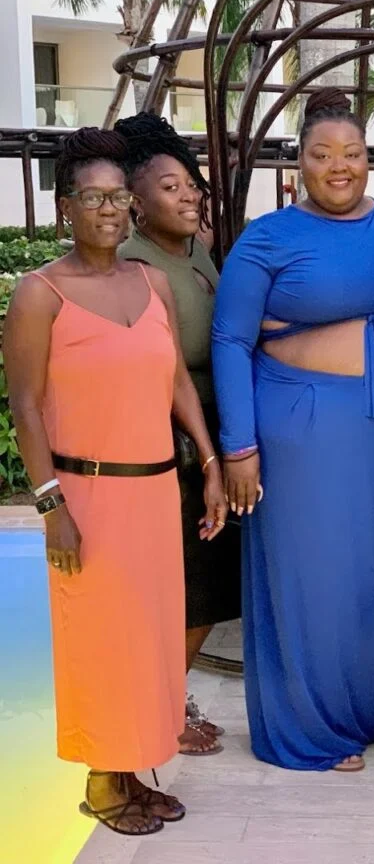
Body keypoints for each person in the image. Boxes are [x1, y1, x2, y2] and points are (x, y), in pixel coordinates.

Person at [211, 88, 374, 772]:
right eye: (322, 154)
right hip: (301, 431)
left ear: (369, 159)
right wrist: (239, 446)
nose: (339, 167)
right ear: (299, 164)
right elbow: (230, 339)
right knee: (317, 577)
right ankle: (314, 730)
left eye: (352, 153)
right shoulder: (269, 237)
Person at [3, 129, 227, 835]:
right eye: (92, 197)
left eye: (117, 197)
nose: (108, 209)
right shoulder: (39, 295)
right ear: (65, 206)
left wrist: (210, 462)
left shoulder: (150, 283)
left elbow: (174, 381)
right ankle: (103, 783)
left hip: (156, 491)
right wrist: (52, 507)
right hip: (88, 497)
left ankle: (132, 768)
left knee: (149, 638)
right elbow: (25, 407)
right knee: (100, 640)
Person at [115, 111, 241, 756]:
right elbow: (163, 373)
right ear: (136, 203)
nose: (189, 195)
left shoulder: (195, 248)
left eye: (191, 184)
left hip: (212, 430)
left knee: (209, 585)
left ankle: (168, 697)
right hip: (174, 440)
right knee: (189, 585)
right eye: (170, 188)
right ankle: (161, 708)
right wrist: (211, 457)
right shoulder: (134, 267)